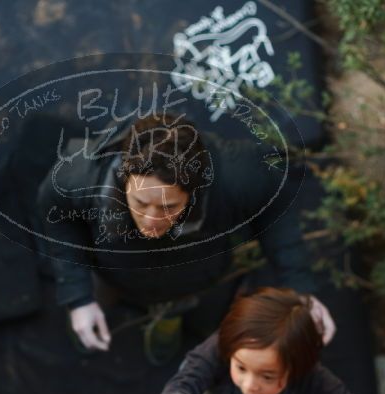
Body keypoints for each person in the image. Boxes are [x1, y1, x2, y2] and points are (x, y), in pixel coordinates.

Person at [37, 114, 335, 358]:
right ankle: (88, 319)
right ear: (124, 178)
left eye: (169, 206)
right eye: (140, 203)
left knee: (182, 303)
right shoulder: (81, 176)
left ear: (192, 192)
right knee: (96, 300)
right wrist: (77, 297)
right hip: (110, 269)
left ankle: (168, 319)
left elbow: (276, 207)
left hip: (193, 272)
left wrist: (301, 289)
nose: (152, 220)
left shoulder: (237, 175)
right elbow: (56, 212)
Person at [157, 287, 379, 394]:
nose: (249, 384)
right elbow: (178, 388)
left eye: (267, 376)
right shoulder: (221, 347)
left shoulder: (312, 379)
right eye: (241, 368)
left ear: (295, 368)